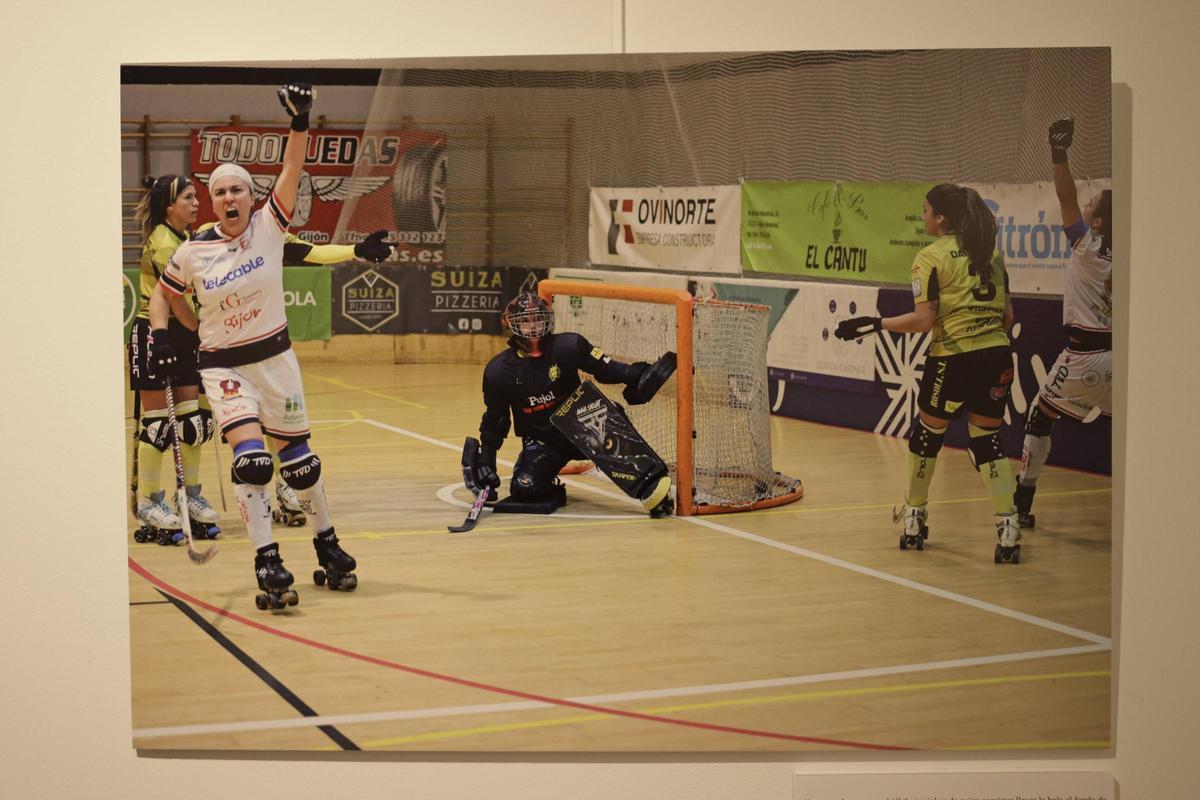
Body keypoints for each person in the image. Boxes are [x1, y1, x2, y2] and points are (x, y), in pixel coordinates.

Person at [149, 82, 357, 609]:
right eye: (217, 193)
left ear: (249, 196)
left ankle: (327, 543)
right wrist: (160, 339)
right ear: (211, 203)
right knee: (252, 463)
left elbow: (291, 170)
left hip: (276, 361)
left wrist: (301, 121)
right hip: (225, 368)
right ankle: (267, 556)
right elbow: (160, 297)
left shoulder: (269, 226)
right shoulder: (194, 251)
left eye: (236, 190)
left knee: (301, 464)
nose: (227, 199)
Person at [835, 183, 1022, 563]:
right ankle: (1008, 524)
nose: (922, 217)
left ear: (941, 218)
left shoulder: (929, 257)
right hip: (997, 356)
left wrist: (876, 323)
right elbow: (1008, 318)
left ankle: (914, 516)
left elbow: (923, 321)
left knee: (928, 434)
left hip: (952, 358)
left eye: (924, 211)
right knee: (987, 441)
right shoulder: (993, 253)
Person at [465, 292, 675, 518]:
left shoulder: (569, 345)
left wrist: (635, 374)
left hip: (586, 426)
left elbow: (605, 368)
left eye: (537, 319)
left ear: (547, 319)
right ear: (510, 324)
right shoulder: (498, 371)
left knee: (609, 420)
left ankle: (652, 486)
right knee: (526, 488)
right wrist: (487, 459)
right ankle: (549, 485)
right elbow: (496, 419)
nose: (532, 326)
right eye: (525, 320)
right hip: (543, 440)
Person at [1013, 118, 1113, 527]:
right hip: (1121, 356)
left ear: (1100, 223)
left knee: (1040, 417)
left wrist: (1058, 153)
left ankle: (1020, 508)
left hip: (1084, 356)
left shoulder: (1089, 246)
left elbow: (1064, 194)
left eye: (1092, 207)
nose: (1083, 207)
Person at [129, 174, 220, 545]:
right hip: (158, 333)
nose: (196, 204)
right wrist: (201, 331)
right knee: (156, 426)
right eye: (188, 198)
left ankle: (190, 494)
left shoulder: (188, 238)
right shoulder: (164, 243)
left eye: (197, 197)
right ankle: (150, 501)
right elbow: (177, 299)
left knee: (192, 423)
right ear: (169, 206)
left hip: (185, 335)